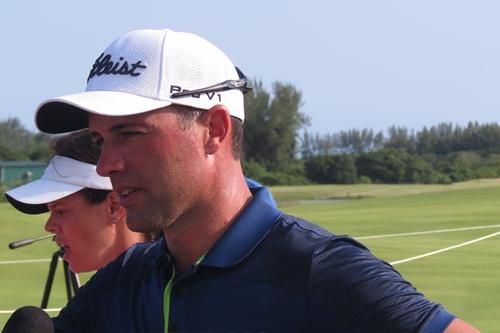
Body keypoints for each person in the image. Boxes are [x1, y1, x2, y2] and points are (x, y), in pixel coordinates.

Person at [33, 29, 479, 332]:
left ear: (215, 130)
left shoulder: (321, 272)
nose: (107, 163)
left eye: (129, 132)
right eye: (99, 138)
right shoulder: (126, 280)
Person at [4, 130, 152, 273]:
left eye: (61, 211)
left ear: (114, 206)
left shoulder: (167, 293)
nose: (49, 227)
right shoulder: (112, 293)